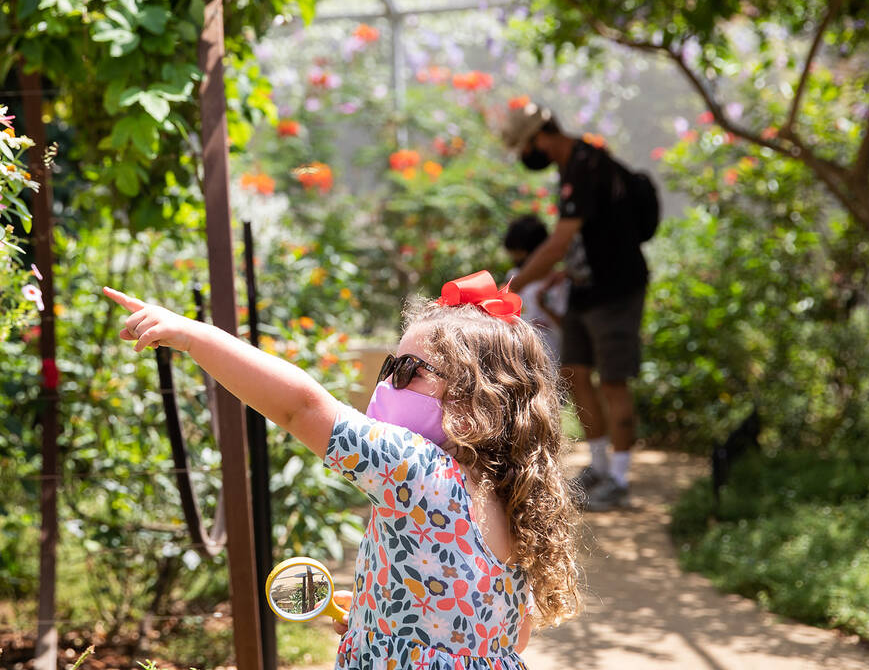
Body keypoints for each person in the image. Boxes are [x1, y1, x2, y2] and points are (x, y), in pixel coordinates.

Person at [104, 271, 581, 669]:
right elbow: (507, 637)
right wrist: (387, 616)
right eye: (388, 368)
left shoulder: (417, 469)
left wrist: (193, 336)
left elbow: (299, 408)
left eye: (408, 370)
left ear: (474, 398)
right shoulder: (513, 497)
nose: (388, 383)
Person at [502, 100, 649, 511]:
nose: (528, 156)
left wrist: (511, 285)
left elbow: (559, 242)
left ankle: (619, 479)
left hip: (616, 288)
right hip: (586, 288)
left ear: (540, 137)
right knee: (576, 374)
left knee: (613, 380)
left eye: (526, 146)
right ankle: (599, 467)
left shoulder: (586, 162)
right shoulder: (570, 168)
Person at [502, 214, 569, 361]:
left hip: (551, 360)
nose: (515, 261)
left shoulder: (560, 284)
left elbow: (568, 327)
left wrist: (544, 306)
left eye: (519, 255)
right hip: (519, 360)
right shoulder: (513, 278)